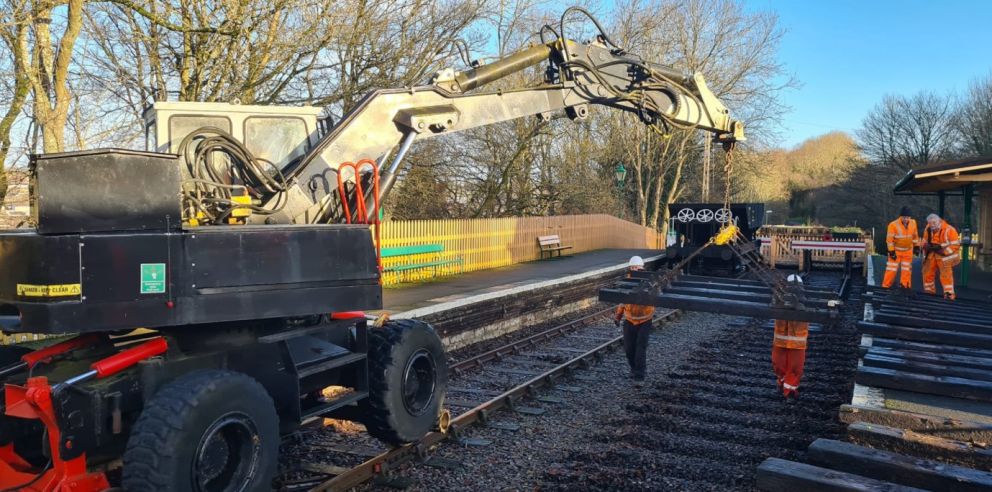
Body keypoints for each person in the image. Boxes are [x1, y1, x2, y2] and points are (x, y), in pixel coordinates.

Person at [614, 256, 654, 386]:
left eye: (636, 267)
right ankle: (633, 368)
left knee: (640, 349)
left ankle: (639, 376)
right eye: (632, 267)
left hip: (645, 320)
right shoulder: (627, 281)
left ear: (641, 268)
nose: (634, 269)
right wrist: (618, 316)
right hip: (629, 320)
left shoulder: (650, 281)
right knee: (629, 349)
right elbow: (622, 301)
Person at [772, 274, 809, 402]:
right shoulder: (779, 298)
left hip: (797, 342)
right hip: (780, 340)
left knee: (795, 367)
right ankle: (781, 383)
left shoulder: (805, 301)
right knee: (778, 364)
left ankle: (791, 392)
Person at [921, 213, 961, 300]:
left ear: (939, 221)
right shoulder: (928, 228)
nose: (932, 225)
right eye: (930, 223)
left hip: (945, 257)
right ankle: (929, 292)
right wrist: (925, 246)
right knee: (927, 273)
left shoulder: (950, 230)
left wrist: (943, 251)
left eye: (934, 223)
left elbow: (955, 245)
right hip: (932, 254)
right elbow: (924, 240)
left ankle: (949, 294)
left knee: (946, 275)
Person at [882, 206, 919, 289]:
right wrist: (891, 251)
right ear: (900, 217)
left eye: (907, 217)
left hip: (908, 251)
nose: (906, 219)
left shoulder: (913, 223)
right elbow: (889, 240)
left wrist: (917, 246)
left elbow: (915, 236)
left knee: (906, 270)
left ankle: (905, 286)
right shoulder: (893, 225)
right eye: (904, 217)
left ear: (910, 217)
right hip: (896, 251)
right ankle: (885, 286)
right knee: (891, 269)